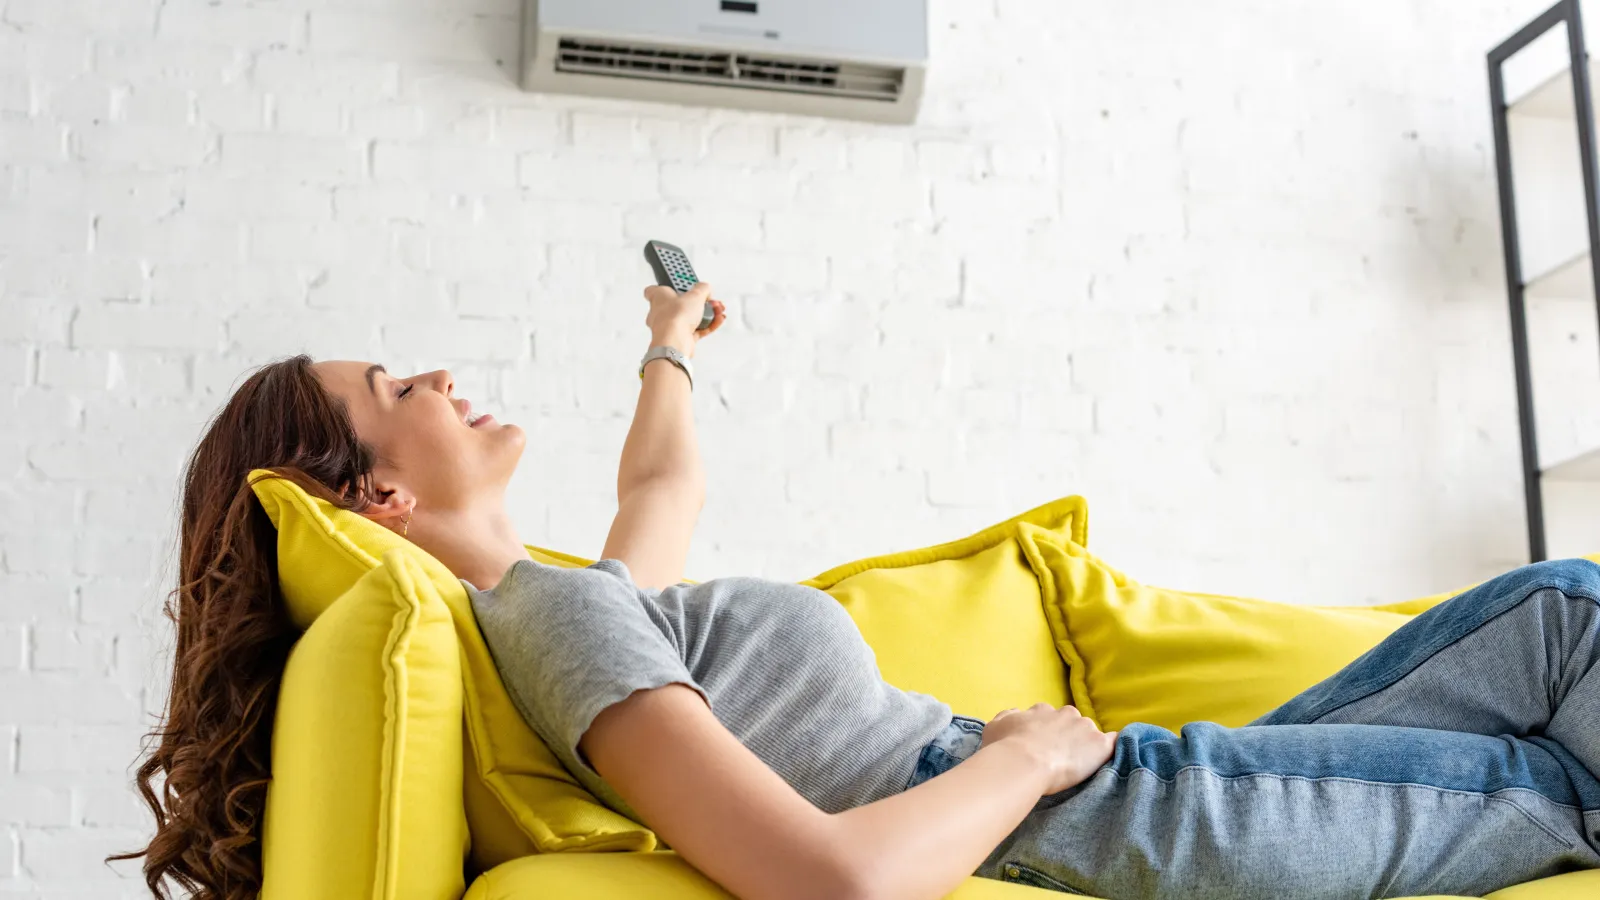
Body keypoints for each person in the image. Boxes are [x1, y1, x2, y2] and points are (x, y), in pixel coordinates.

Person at [111, 281, 1599, 900]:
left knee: (1556, 614)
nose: (434, 372)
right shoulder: (553, 627)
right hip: (1103, 814)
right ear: (381, 495)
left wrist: (670, 341)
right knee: (1574, 679)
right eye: (393, 387)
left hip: (1114, 792)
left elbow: (662, 496)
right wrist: (1027, 751)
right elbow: (829, 881)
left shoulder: (564, 605)